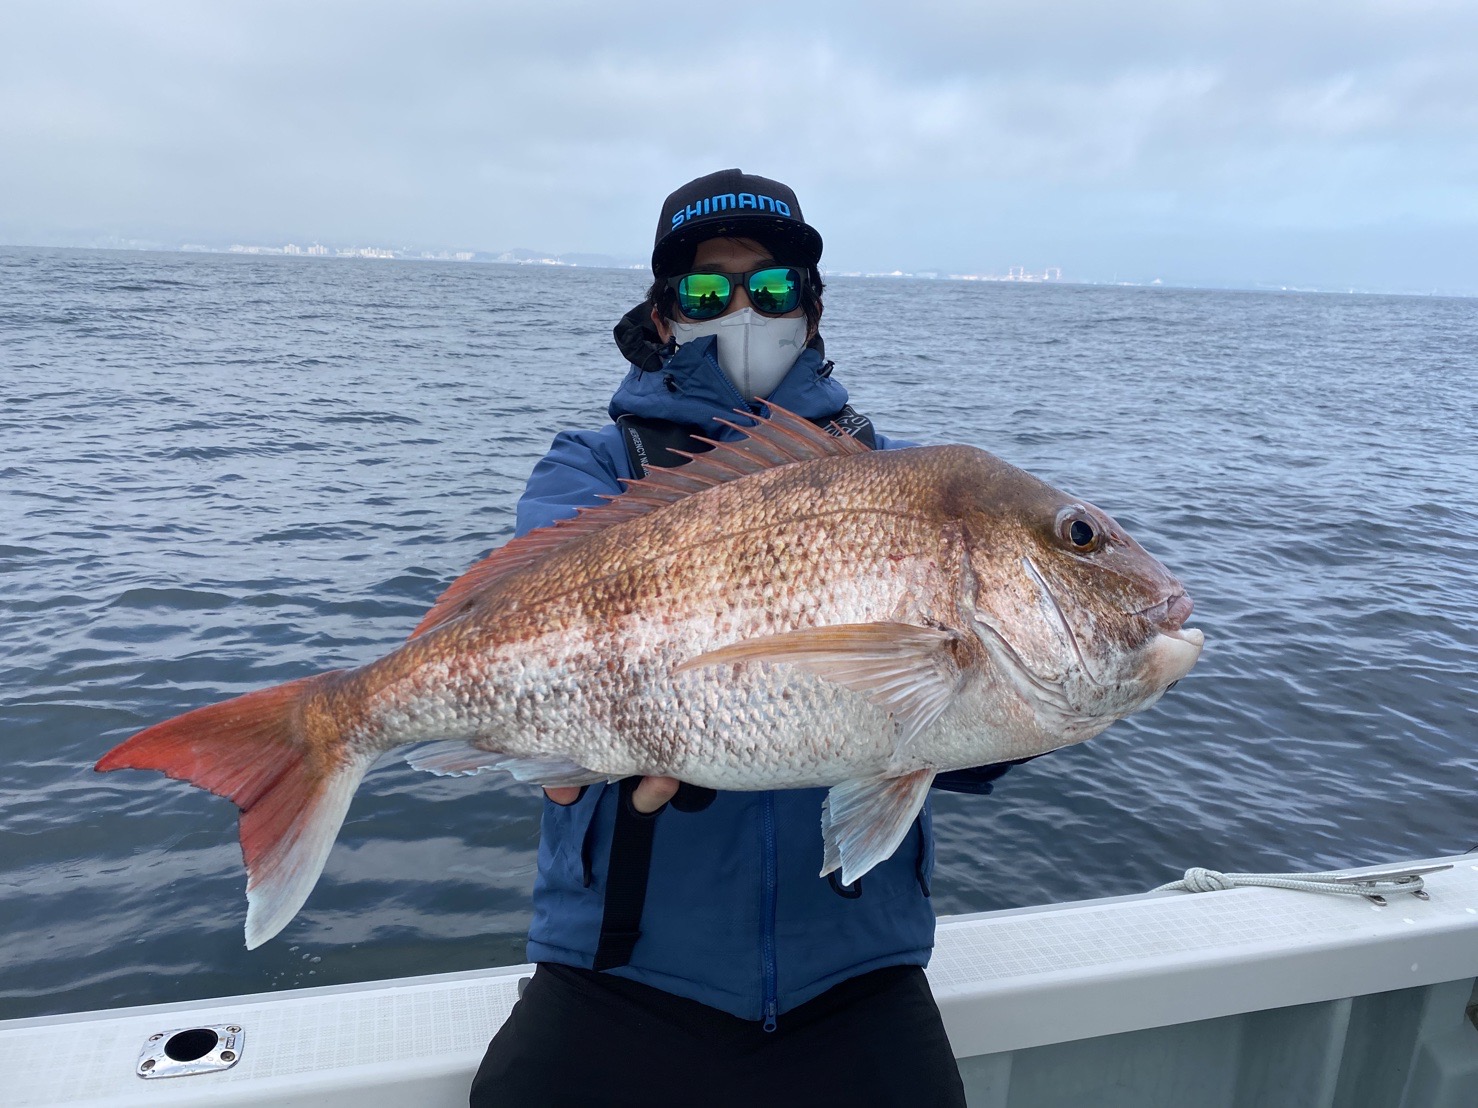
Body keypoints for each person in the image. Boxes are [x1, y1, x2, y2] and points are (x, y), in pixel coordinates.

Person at [470, 169, 1026, 1107]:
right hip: (619, 974)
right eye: (703, 288)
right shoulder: (592, 467)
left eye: (770, 287)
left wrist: (1014, 689)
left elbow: (969, 761)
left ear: (810, 313)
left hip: (859, 976)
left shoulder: (896, 487)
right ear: (662, 314)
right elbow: (531, 625)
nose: (739, 307)